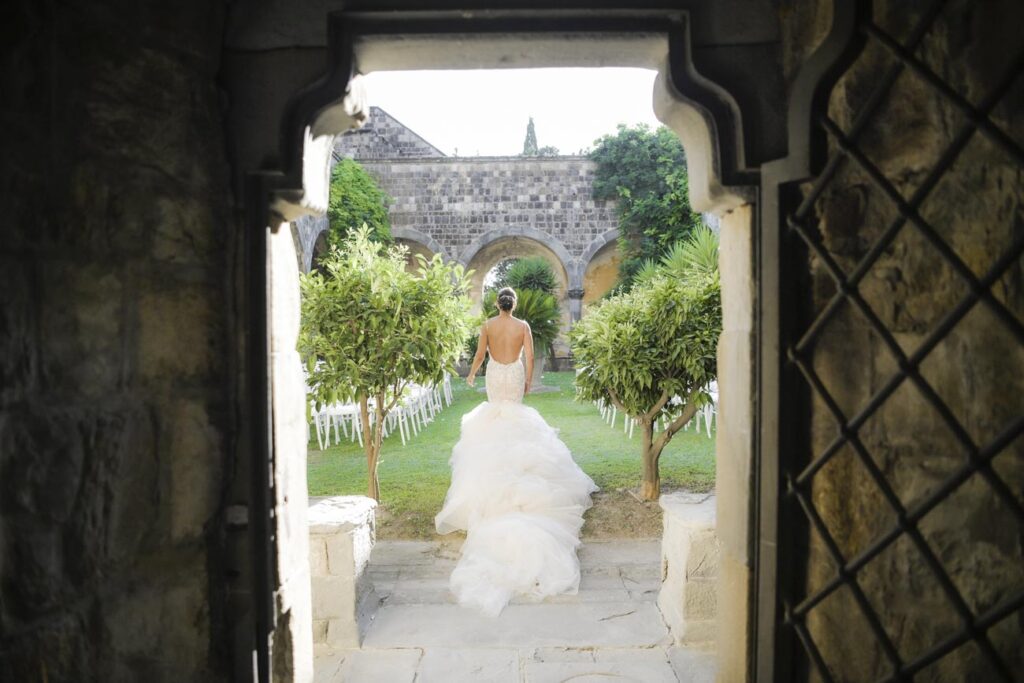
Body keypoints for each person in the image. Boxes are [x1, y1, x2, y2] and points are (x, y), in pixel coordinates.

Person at [435, 287, 599, 616]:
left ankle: (496, 474)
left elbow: (480, 355)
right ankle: (521, 470)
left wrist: (472, 373)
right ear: (515, 304)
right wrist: (526, 381)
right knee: (515, 415)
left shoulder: (487, 325)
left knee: (497, 415)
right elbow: (531, 357)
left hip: (496, 373)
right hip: (513, 373)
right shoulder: (523, 326)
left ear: (497, 304)